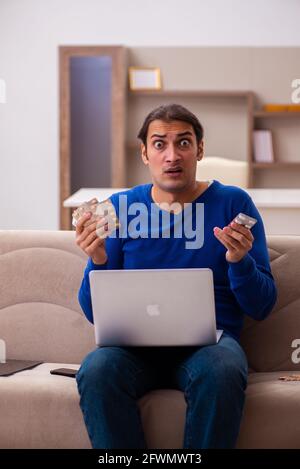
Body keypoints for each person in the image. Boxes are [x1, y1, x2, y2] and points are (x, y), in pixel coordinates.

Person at [75, 104, 277, 449]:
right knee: (96, 369)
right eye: (159, 144)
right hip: (132, 348)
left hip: (210, 345)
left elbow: (262, 305)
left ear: (199, 149)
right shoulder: (120, 208)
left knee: (223, 369)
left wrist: (239, 261)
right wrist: (98, 259)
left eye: (183, 143)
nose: (172, 155)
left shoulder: (233, 203)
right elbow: (94, 313)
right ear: (144, 153)